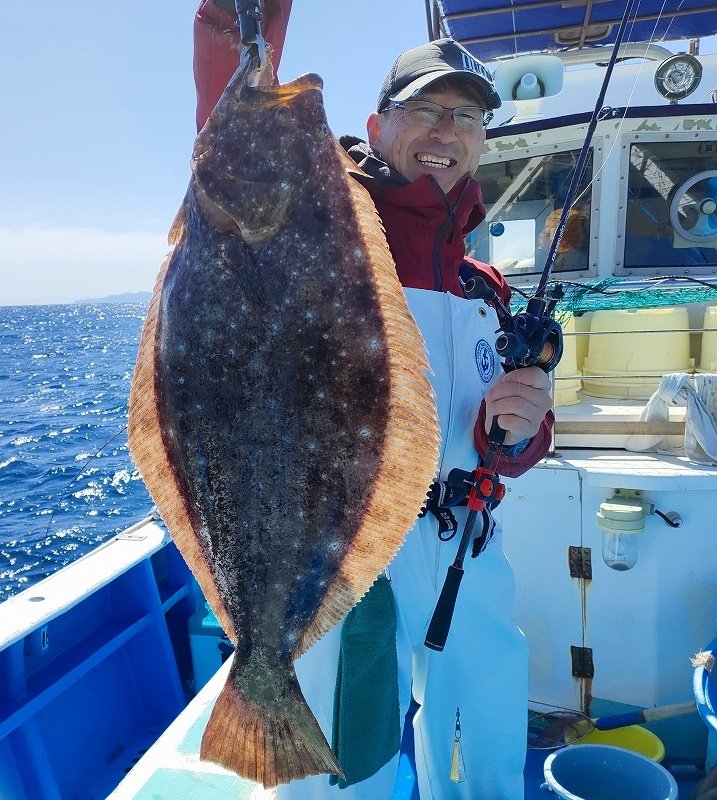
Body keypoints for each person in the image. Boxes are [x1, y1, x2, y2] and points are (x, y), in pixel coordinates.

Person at [193, 3, 555, 798]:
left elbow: (509, 444)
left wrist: (521, 430)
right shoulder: (324, 229)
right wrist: (241, 25)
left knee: (484, 726)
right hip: (337, 536)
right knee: (339, 749)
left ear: (481, 138)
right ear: (376, 122)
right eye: (423, 108)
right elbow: (233, 162)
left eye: (463, 115)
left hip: (462, 542)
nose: (444, 129)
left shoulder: (484, 287)